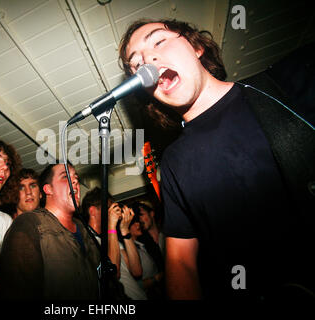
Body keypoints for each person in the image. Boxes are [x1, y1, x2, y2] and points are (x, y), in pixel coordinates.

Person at [118, 18, 314, 299]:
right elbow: (181, 261)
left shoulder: (284, 84)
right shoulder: (173, 162)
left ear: (196, 46)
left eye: (159, 41)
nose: (147, 62)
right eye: (137, 65)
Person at [0, 163, 100, 299]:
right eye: (65, 177)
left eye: (76, 177)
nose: (75, 181)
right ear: (48, 189)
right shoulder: (28, 224)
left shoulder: (83, 229)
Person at [82, 187, 147, 300]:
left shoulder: (112, 238)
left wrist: (125, 231)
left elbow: (137, 271)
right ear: (92, 211)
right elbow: (113, 275)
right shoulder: (88, 242)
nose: (113, 213)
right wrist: (111, 226)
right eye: (108, 209)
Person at [128, 208, 165, 300]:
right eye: (134, 222)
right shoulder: (127, 251)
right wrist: (157, 278)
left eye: (138, 221)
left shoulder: (142, 245)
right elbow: (132, 285)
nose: (138, 224)